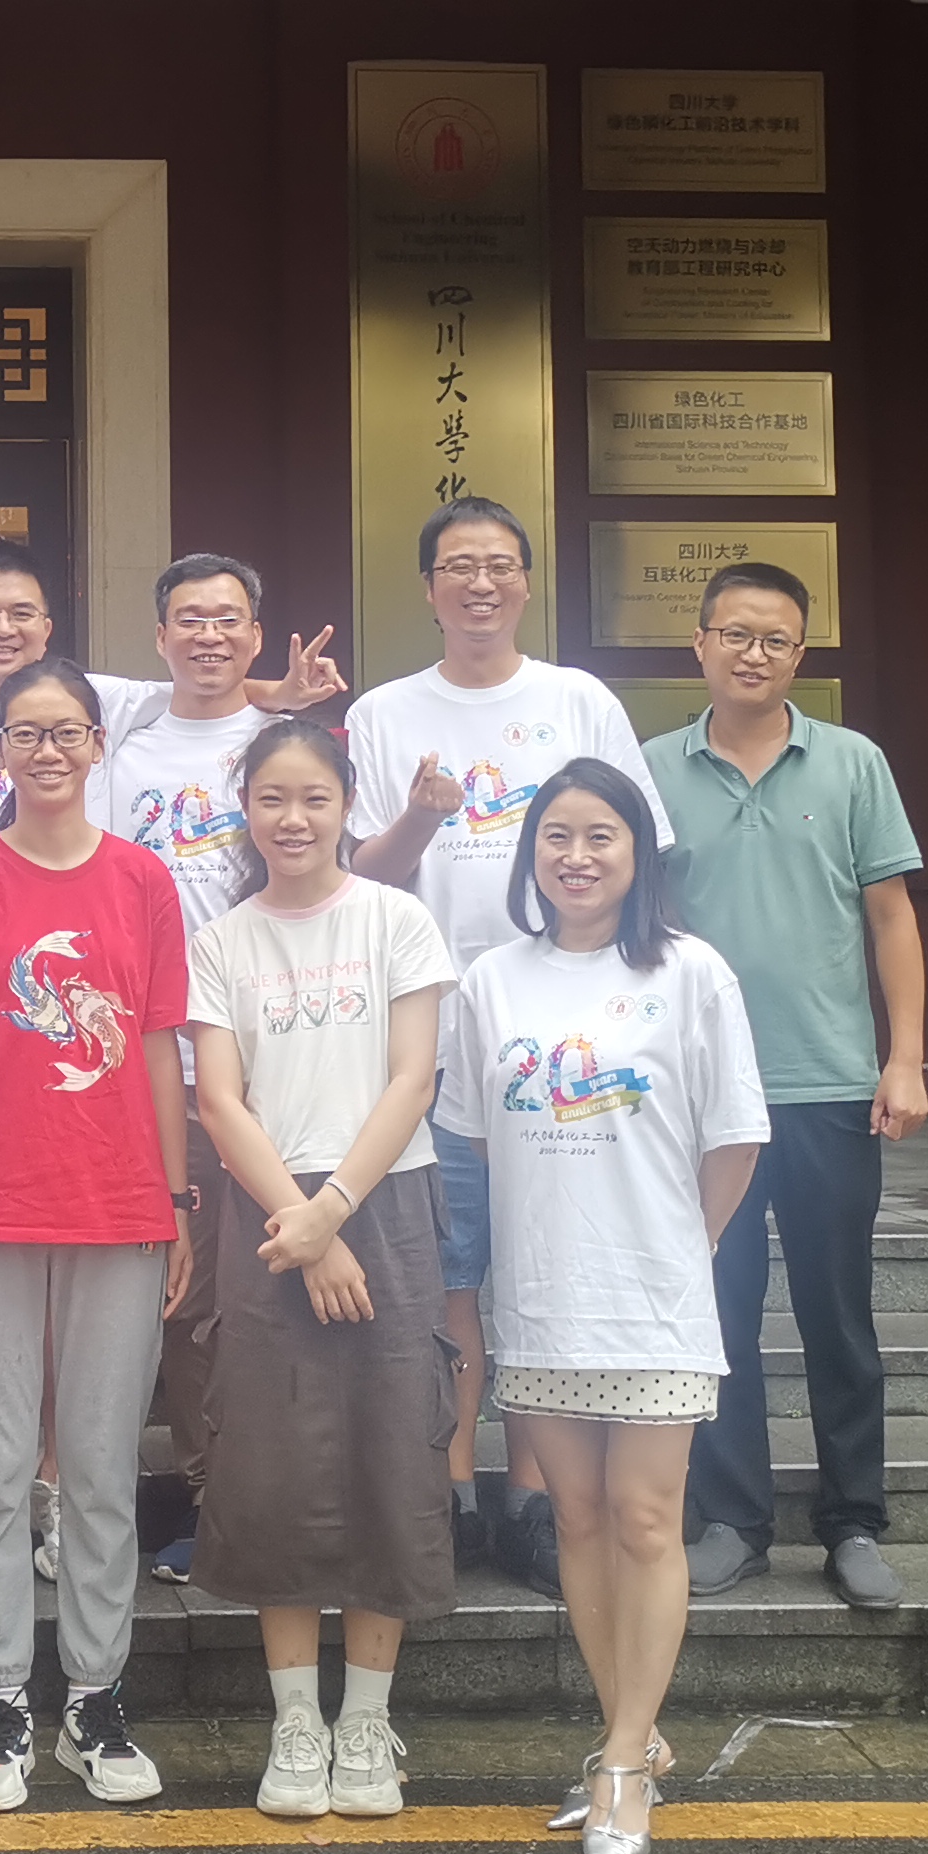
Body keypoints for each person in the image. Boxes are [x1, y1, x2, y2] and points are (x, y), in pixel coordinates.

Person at [0, 539, 331, 1589]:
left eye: (21, 610)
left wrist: (279, 693)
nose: (2, 627)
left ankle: (61, 1485)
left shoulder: (110, 707)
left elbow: (203, 681)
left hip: (107, 1050)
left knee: (97, 1283)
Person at [435, 758, 764, 1854]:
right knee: (574, 1518)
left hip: (655, 1296)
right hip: (541, 1297)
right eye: (556, 837)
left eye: (600, 837)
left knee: (644, 1519)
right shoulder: (493, 981)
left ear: (638, 853)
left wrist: (680, 1246)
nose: (576, 857)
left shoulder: (691, 972)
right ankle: (634, 1728)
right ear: (531, 853)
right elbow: (482, 1136)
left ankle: (620, 1761)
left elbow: (734, 1139)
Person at [345, 495, 663, 1586]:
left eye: (498, 565)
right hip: (425, 1036)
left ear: (525, 581)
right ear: (427, 588)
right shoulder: (384, 713)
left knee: (539, 1261)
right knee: (450, 1274)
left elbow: (638, 850)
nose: (479, 584)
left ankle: (534, 1495)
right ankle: (449, 1488)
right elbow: (359, 878)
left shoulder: (578, 700)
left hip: (563, 1036)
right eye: (457, 566)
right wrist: (424, 816)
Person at [0, 659, 196, 1814]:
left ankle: (93, 1697)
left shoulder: (141, 880)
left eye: (66, 731)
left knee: (100, 1468)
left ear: (96, 744)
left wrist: (175, 1199)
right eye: (24, 734)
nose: (47, 752)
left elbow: (160, 1048)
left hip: (116, 1204)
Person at [184, 717, 458, 1820]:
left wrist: (331, 1213)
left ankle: (365, 1720)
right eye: (270, 799)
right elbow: (217, 1100)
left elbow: (412, 1079)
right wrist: (299, 1225)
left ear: (348, 805)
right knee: (272, 1460)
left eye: (314, 799)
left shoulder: (397, 919)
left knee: (393, 1443)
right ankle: (295, 1720)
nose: (291, 819)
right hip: (265, 1206)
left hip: (383, 1198)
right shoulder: (222, 940)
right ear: (244, 810)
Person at [645, 558, 928, 1613]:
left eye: (773, 639)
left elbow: (890, 917)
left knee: (835, 1312)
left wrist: (903, 1057)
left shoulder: (852, 763)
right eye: (734, 634)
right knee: (716, 1312)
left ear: (798, 654)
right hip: (701, 1099)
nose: (752, 654)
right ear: (700, 645)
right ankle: (733, 1521)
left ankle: (853, 1523)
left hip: (826, 1085)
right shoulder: (651, 770)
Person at [96, 552, 338, 1584]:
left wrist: (279, 700)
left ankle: (303, 1494)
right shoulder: (119, 750)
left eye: (228, 620)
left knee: (286, 1281)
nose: (208, 636)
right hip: (162, 1067)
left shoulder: (288, 748)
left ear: (255, 634)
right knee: (190, 1299)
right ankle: (209, 1497)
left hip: (291, 1055)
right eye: (188, 620)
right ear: (158, 637)